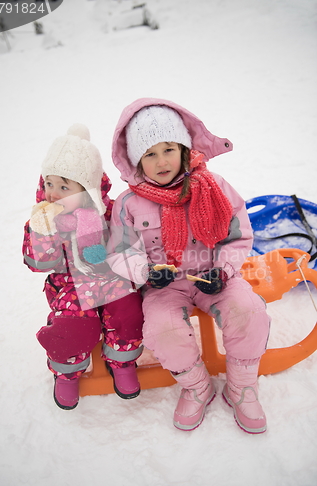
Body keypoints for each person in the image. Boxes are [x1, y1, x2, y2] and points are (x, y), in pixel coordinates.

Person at [107, 98, 270, 433]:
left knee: (250, 311)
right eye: (150, 154)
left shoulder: (215, 187)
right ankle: (196, 387)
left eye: (168, 149)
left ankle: (241, 386)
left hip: (214, 274)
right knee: (161, 330)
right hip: (164, 285)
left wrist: (224, 270)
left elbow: (239, 236)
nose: (161, 161)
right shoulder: (128, 204)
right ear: (137, 160)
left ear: (183, 149)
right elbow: (120, 250)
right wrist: (145, 272)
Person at [22, 124, 144, 410]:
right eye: (49, 184)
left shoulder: (109, 211)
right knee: (72, 324)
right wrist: (41, 233)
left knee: (127, 311)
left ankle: (122, 360)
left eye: (64, 186)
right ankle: (67, 371)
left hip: (109, 277)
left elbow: (127, 241)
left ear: (87, 188)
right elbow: (39, 264)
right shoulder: (43, 218)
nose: (53, 193)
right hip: (69, 284)